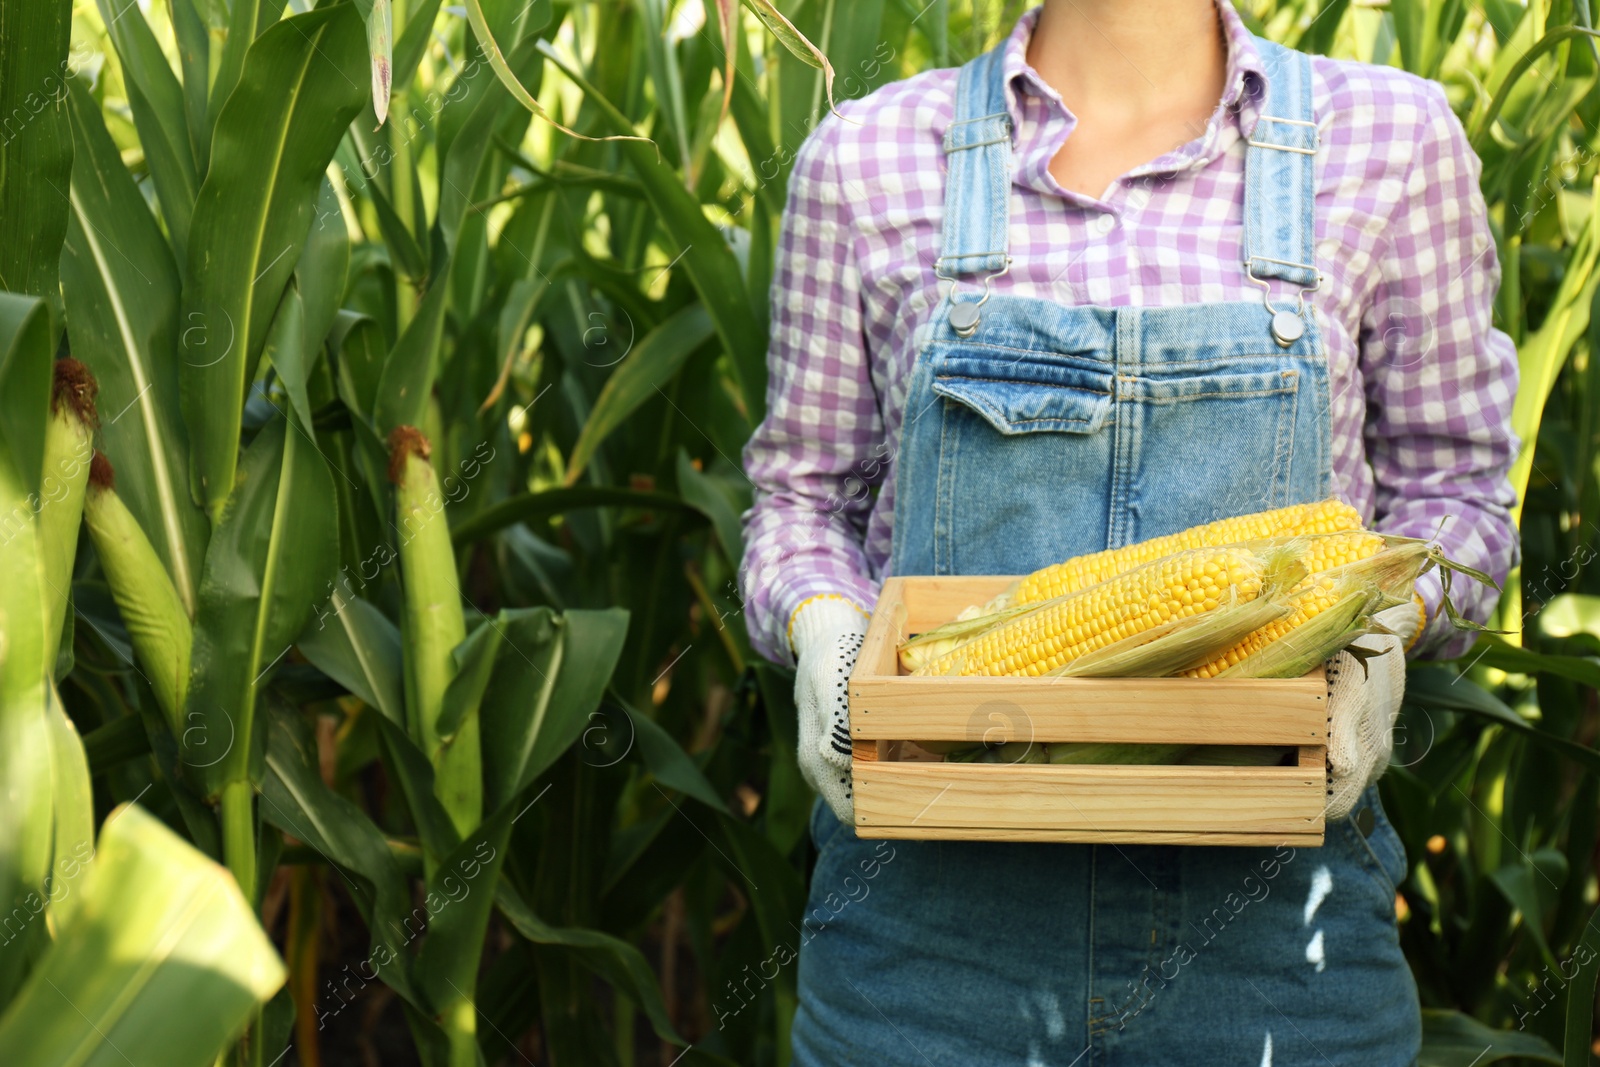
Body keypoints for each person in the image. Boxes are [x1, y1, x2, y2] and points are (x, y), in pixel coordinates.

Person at [739, 0, 1517, 1062]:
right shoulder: (865, 159)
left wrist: (1389, 628)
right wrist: (823, 625)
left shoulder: (1392, 139)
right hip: (922, 957)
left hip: (1281, 955)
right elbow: (801, 500)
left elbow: (1459, 495)